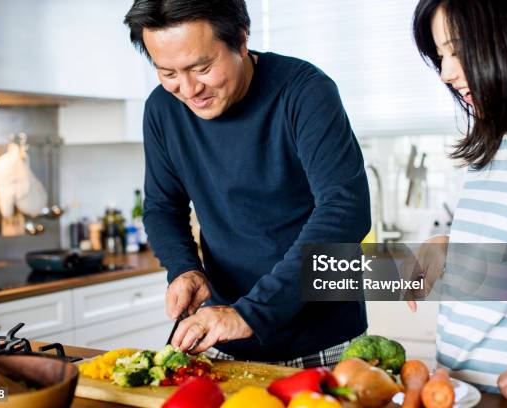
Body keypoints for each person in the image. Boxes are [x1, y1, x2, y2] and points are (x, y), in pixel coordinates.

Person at [123, 0, 370, 367]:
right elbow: (162, 207)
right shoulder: (161, 109)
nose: (189, 90)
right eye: (168, 72)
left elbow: (346, 210)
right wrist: (184, 268)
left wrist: (252, 313)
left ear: (241, 40)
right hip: (225, 336)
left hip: (324, 340)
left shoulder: (304, 91)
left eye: (202, 68)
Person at [411, 0, 507, 402]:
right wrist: (447, 251)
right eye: (441, 56)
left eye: (456, 50)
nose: (446, 73)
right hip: (465, 394)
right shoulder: (494, 149)